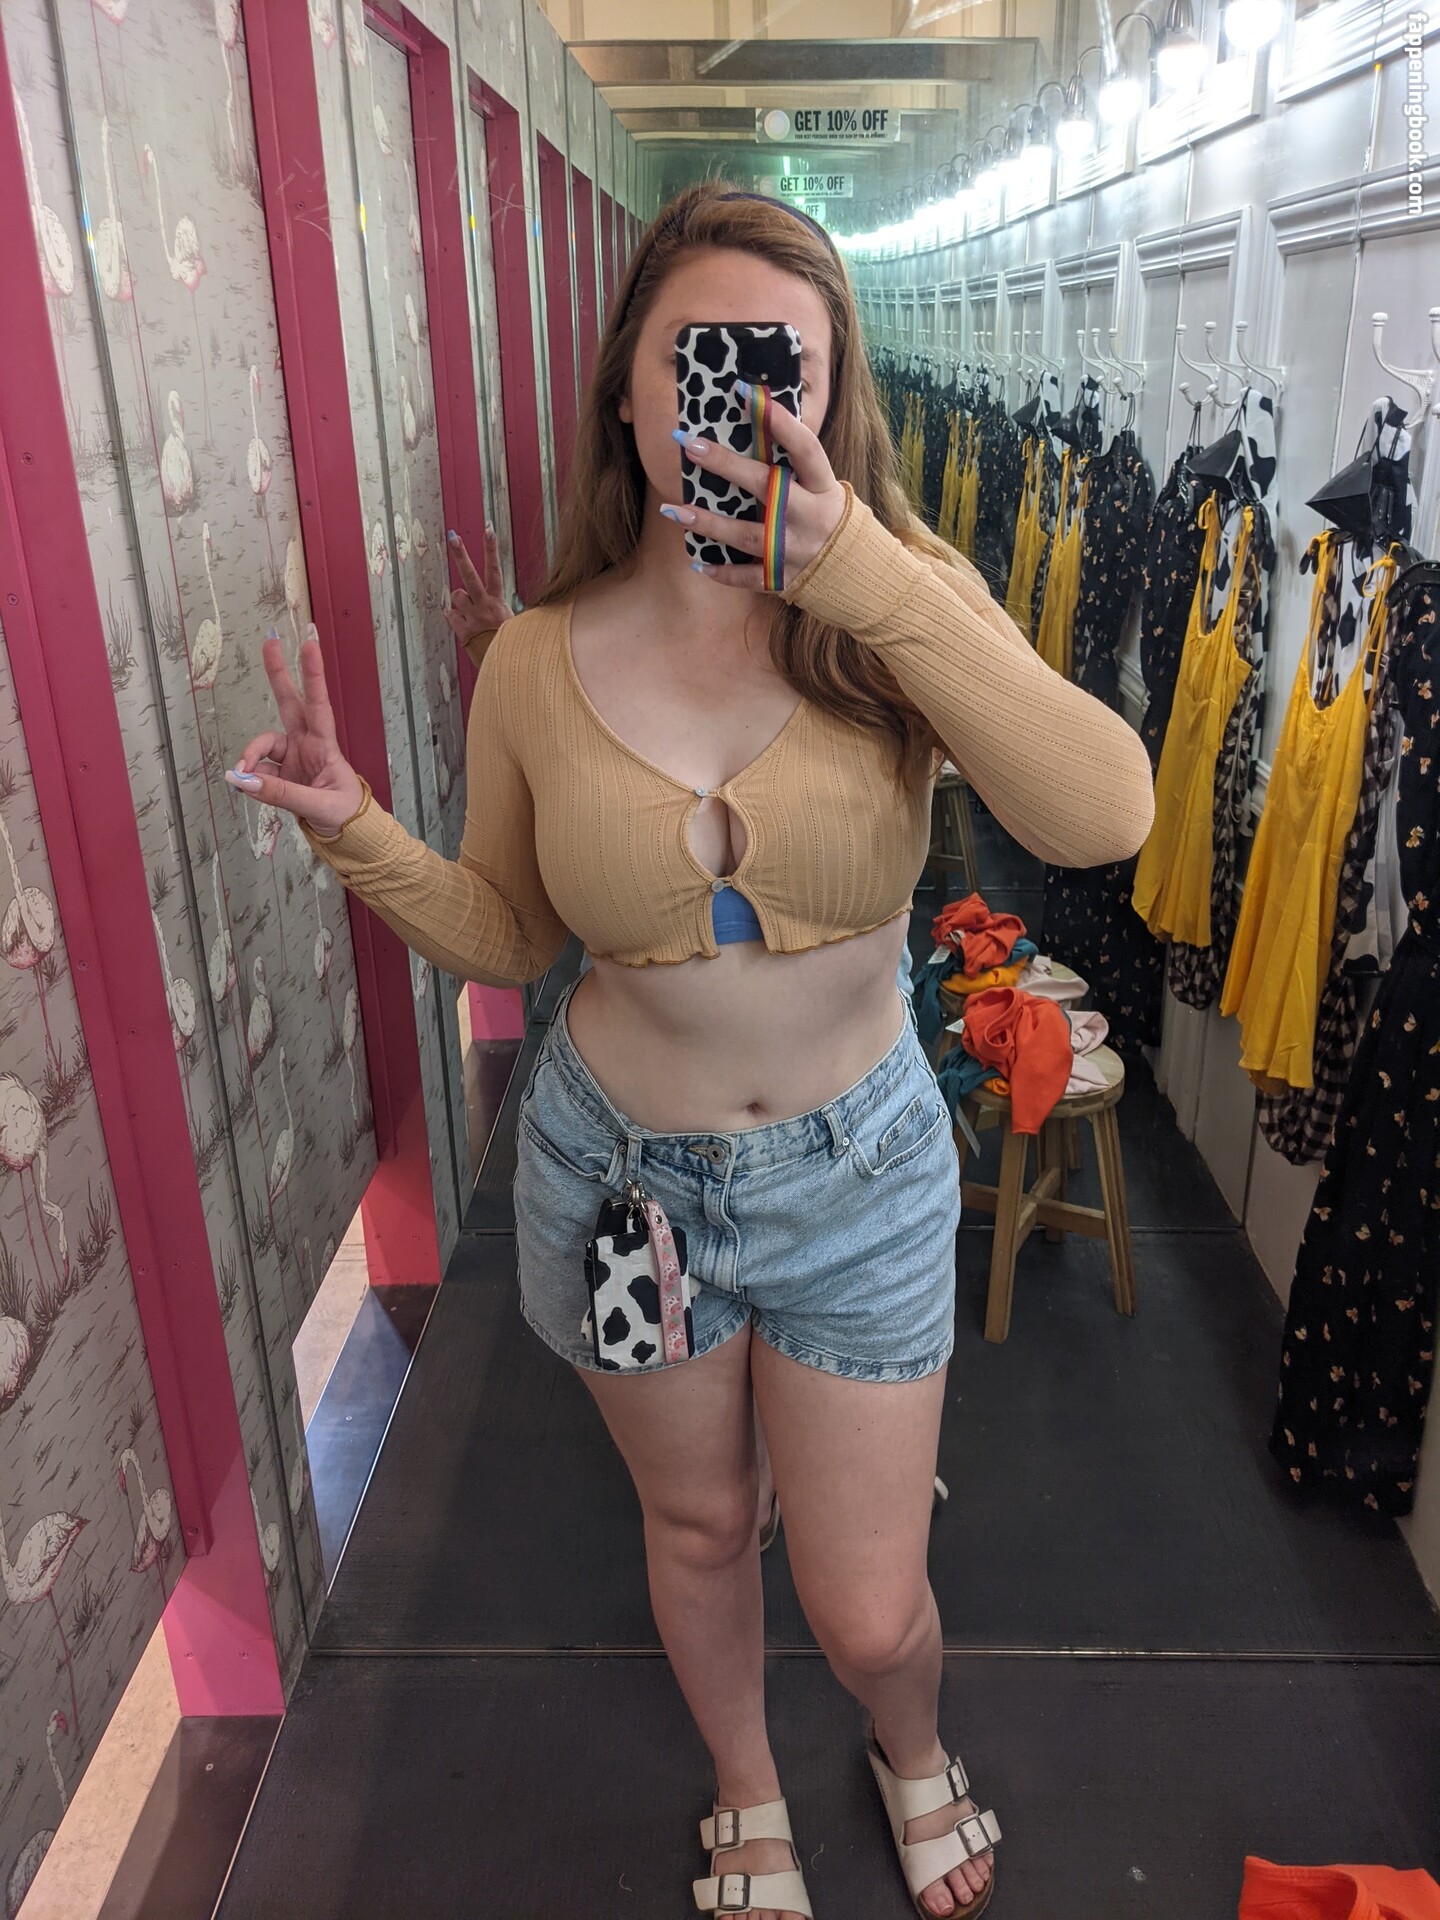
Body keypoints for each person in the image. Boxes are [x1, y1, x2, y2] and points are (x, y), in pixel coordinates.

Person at [227, 182, 1153, 1920]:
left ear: (833, 392)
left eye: (787, 365)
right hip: (615, 1193)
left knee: (871, 1607)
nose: (744, 398)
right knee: (704, 1523)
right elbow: (515, 936)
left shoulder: (898, 606)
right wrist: (359, 832)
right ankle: (748, 1783)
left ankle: (908, 1740)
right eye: (703, 359)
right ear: (629, 391)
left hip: (861, 1179)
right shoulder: (535, 660)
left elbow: (1107, 815)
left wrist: (866, 575)